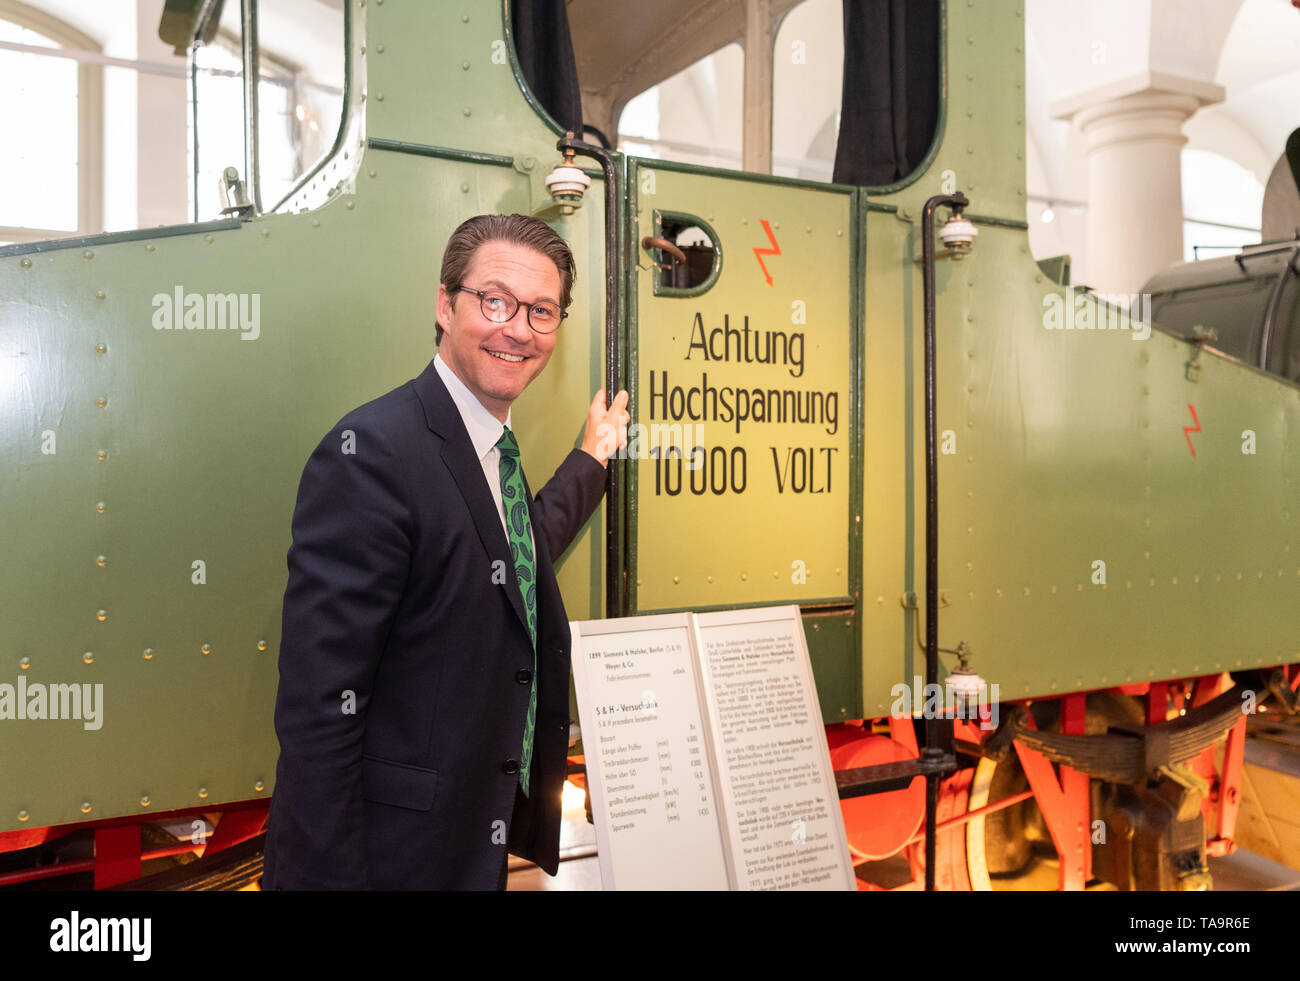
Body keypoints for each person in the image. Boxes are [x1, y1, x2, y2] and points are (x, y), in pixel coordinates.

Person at [263, 213, 630, 890]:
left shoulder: (487, 446)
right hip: (384, 862)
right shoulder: (373, 455)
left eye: (541, 311)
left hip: (466, 843)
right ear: (444, 304)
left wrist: (591, 460)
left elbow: (506, 561)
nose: (518, 328)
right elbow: (320, 711)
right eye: (494, 300)